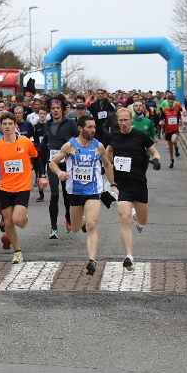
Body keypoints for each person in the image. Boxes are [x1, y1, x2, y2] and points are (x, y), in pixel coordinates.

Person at [48, 115, 115, 275]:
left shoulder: (98, 146)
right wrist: (59, 173)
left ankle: (92, 260)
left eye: (94, 127)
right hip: (75, 192)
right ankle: (82, 222)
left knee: (92, 226)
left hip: (93, 191)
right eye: (89, 127)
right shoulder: (69, 146)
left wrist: (113, 185)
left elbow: (107, 164)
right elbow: (52, 163)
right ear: (80, 129)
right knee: (75, 227)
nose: (93, 130)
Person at [105, 109, 160, 270]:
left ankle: (137, 218)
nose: (123, 123)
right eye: (120, 120)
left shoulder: (140, 136)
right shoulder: (113, 137)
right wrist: (106, 167)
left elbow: (155, 152)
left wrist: (156, 160)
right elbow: (107, 156)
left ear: (131, 120)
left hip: (139, 183)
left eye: (126, 120)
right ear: (117, 121)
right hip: (122, 185)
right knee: (124, 218)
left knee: (143, 220)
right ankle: (129, 256)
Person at [0, 111, 38, 263]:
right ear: (0, 126)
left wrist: (41, 176)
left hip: (22, 187)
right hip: (5, 187)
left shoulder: (25, 142)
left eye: (10, 124)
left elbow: (36, 158)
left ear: (15, 126)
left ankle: (23, 217)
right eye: (4, 124)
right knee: (8, 221)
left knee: (18, 220)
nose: (7, 127)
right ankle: (17, 251)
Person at [40, 95, 79, 238]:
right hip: (53, 164)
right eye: (53, 108)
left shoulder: (70, 123)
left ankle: (68, 217)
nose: (55, 110)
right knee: (54, 194)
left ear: (62, 109)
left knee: (67, 195)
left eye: (58, 108)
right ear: (50, 110)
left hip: (67, 164)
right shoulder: (47, 125)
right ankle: (53, 227)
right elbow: (45, 146)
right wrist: (43, 164)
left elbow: (78, 139)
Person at [159, 93, 184, 168]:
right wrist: (161, 123)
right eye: (169, 102)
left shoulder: (177, 110)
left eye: (172, 102)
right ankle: (171, 159)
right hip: (168, 130)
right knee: (170, 147)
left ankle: (176, 148)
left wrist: (183, 125)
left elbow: (180, 117)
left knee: (173, 140)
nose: (171, 104)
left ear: (173, 102)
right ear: (167, 102)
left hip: (175, 129)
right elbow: (161, 121)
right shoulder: (164, 111)